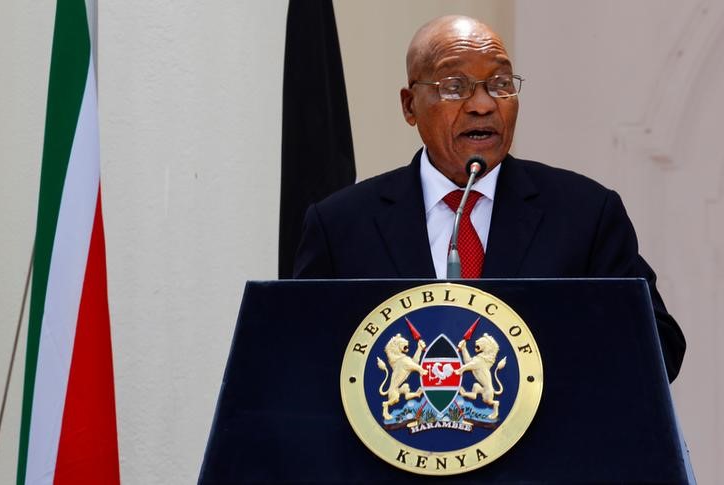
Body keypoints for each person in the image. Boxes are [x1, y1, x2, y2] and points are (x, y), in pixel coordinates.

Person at [292, 15, 685, 380]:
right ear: (410, 106)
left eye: (500, 84)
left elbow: (659, 349)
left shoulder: (585, 215)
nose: (483, 105)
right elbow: (299, 359)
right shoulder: (341, 225)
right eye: (455, 87)